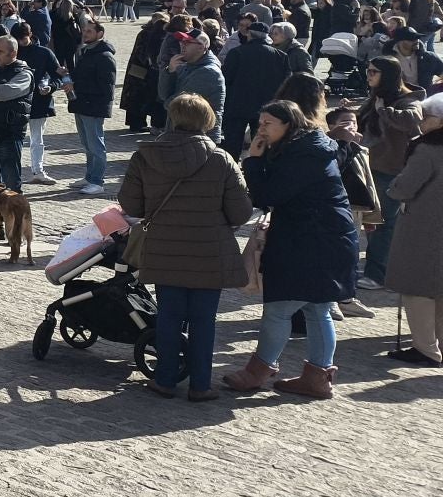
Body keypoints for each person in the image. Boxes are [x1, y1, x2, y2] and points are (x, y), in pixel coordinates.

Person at [120, 93, 252, 400]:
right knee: (204, 321)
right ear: (207, 120)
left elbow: (129, 204)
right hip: (210, 251)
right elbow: (242, 213)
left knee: (168, 315)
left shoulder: (145, 156)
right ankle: (200, 384)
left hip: (165, 248)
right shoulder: (220, 159)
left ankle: (165, 378)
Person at [226, 100, 360, 399]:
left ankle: (257, 372)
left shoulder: (302, 154)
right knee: (317, 308)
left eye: (267, 123)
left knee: (279, 309)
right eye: (260, 122)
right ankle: (317, 377)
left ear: (289, 125)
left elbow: (269, 194)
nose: (260, 128)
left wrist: (254, 160)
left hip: (311, 241)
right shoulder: (310, 146)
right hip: (326, 238)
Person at [384, 93, 443, 367]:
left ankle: (425, 348)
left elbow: (404, 188)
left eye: (427, 117)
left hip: (424, 227)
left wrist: (394, 187)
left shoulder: (428, 150)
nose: (422, 121)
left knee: (416, 288)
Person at [358, 57, 423, 290]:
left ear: (388, 74)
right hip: (371, 168)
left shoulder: (408, 101)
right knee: (371, 222)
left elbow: (411, 122)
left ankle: (377, 274)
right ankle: (374, 268)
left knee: (383, 223)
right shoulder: (376, 97)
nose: (369, 75)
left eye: (374, 71)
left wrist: (384, 111)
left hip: (391, 171)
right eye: (368, 70)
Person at [220, 18, 290, 156]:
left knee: (232, 145)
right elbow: (286, 83)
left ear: (249, 34)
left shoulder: (237, 53)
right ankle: (257, 171)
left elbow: (225, 79)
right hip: (266, 107)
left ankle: (230, 173)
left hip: (237, 105)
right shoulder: (281, 56)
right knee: (262, 144)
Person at [68, 17, 117, 195]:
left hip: (93, 107)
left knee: (96, 145)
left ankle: (97, 181)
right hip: (81, 105)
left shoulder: (105, 57)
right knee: (87, 143)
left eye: (89, 31)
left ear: (100, 33)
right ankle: (89, 176)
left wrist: (77, 86)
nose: (85, 34)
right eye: (84, 31)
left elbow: (107, 88)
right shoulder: (85, 52)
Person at [0, 36, 33, 196]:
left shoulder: (24, 74)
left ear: (13, 53)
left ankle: (15, 218)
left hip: (9, 134)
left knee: (11, 186)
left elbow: (4, 92)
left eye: (0, 52)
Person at [12, 22, 60, 185]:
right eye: (17, 39)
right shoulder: (11, 52)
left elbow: (58, 75)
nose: (20, 43)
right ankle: (12, 172)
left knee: (37, 138)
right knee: (14, 139)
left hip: (39, 101)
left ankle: (38, 170)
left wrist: (51, 87)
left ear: (30, 35)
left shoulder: (44, 53)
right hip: (16, 103)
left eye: (23, 39)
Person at [158, 33, 225, 132]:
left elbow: (176, 105)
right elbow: (163, 95)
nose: (182, 45)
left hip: (200, 134)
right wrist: (169, 71)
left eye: (187, 42)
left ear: (201, 47)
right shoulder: (185, 66)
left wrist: (168, 99)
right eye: (181, 41)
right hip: (182, 131)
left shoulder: (208, 72)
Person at [121, 13, 171, 133]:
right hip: (140, 68)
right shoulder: (148, 33)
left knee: (137, 95)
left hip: (139, 67)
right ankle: (137, 122)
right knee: (137, 94)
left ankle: (137, 122)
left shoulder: (147, 32)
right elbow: (143, 52)